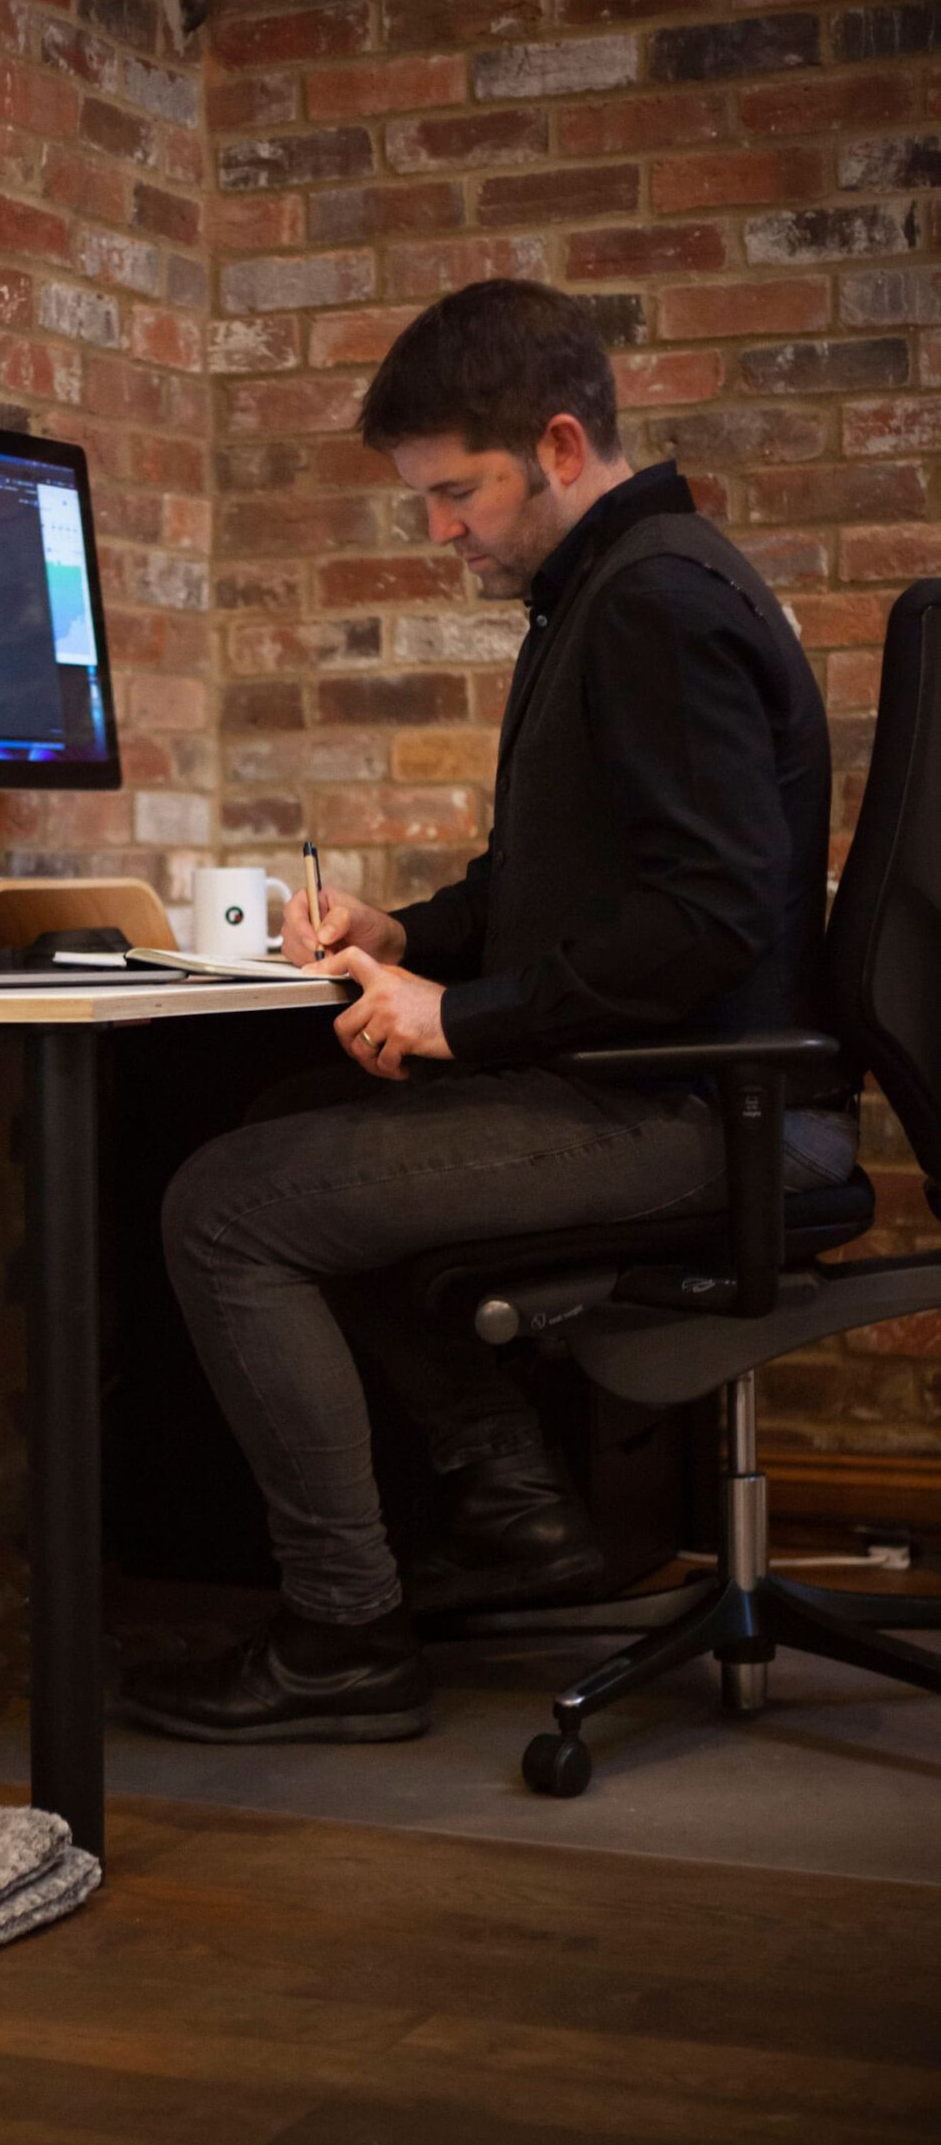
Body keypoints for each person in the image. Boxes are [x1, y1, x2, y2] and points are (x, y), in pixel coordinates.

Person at [121, 278, 858, 1746]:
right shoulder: (612, 589)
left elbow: (706, 920)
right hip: (691, 1092)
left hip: (720, 1114)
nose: (442, 532)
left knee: (227, 1207)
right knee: (297, 1129)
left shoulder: (649, 601)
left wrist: (462, 1019)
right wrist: (405, 935)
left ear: (565, 443)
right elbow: (554, 887)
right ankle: (523, 1525)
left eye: (458, 493)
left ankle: (341, 1634)